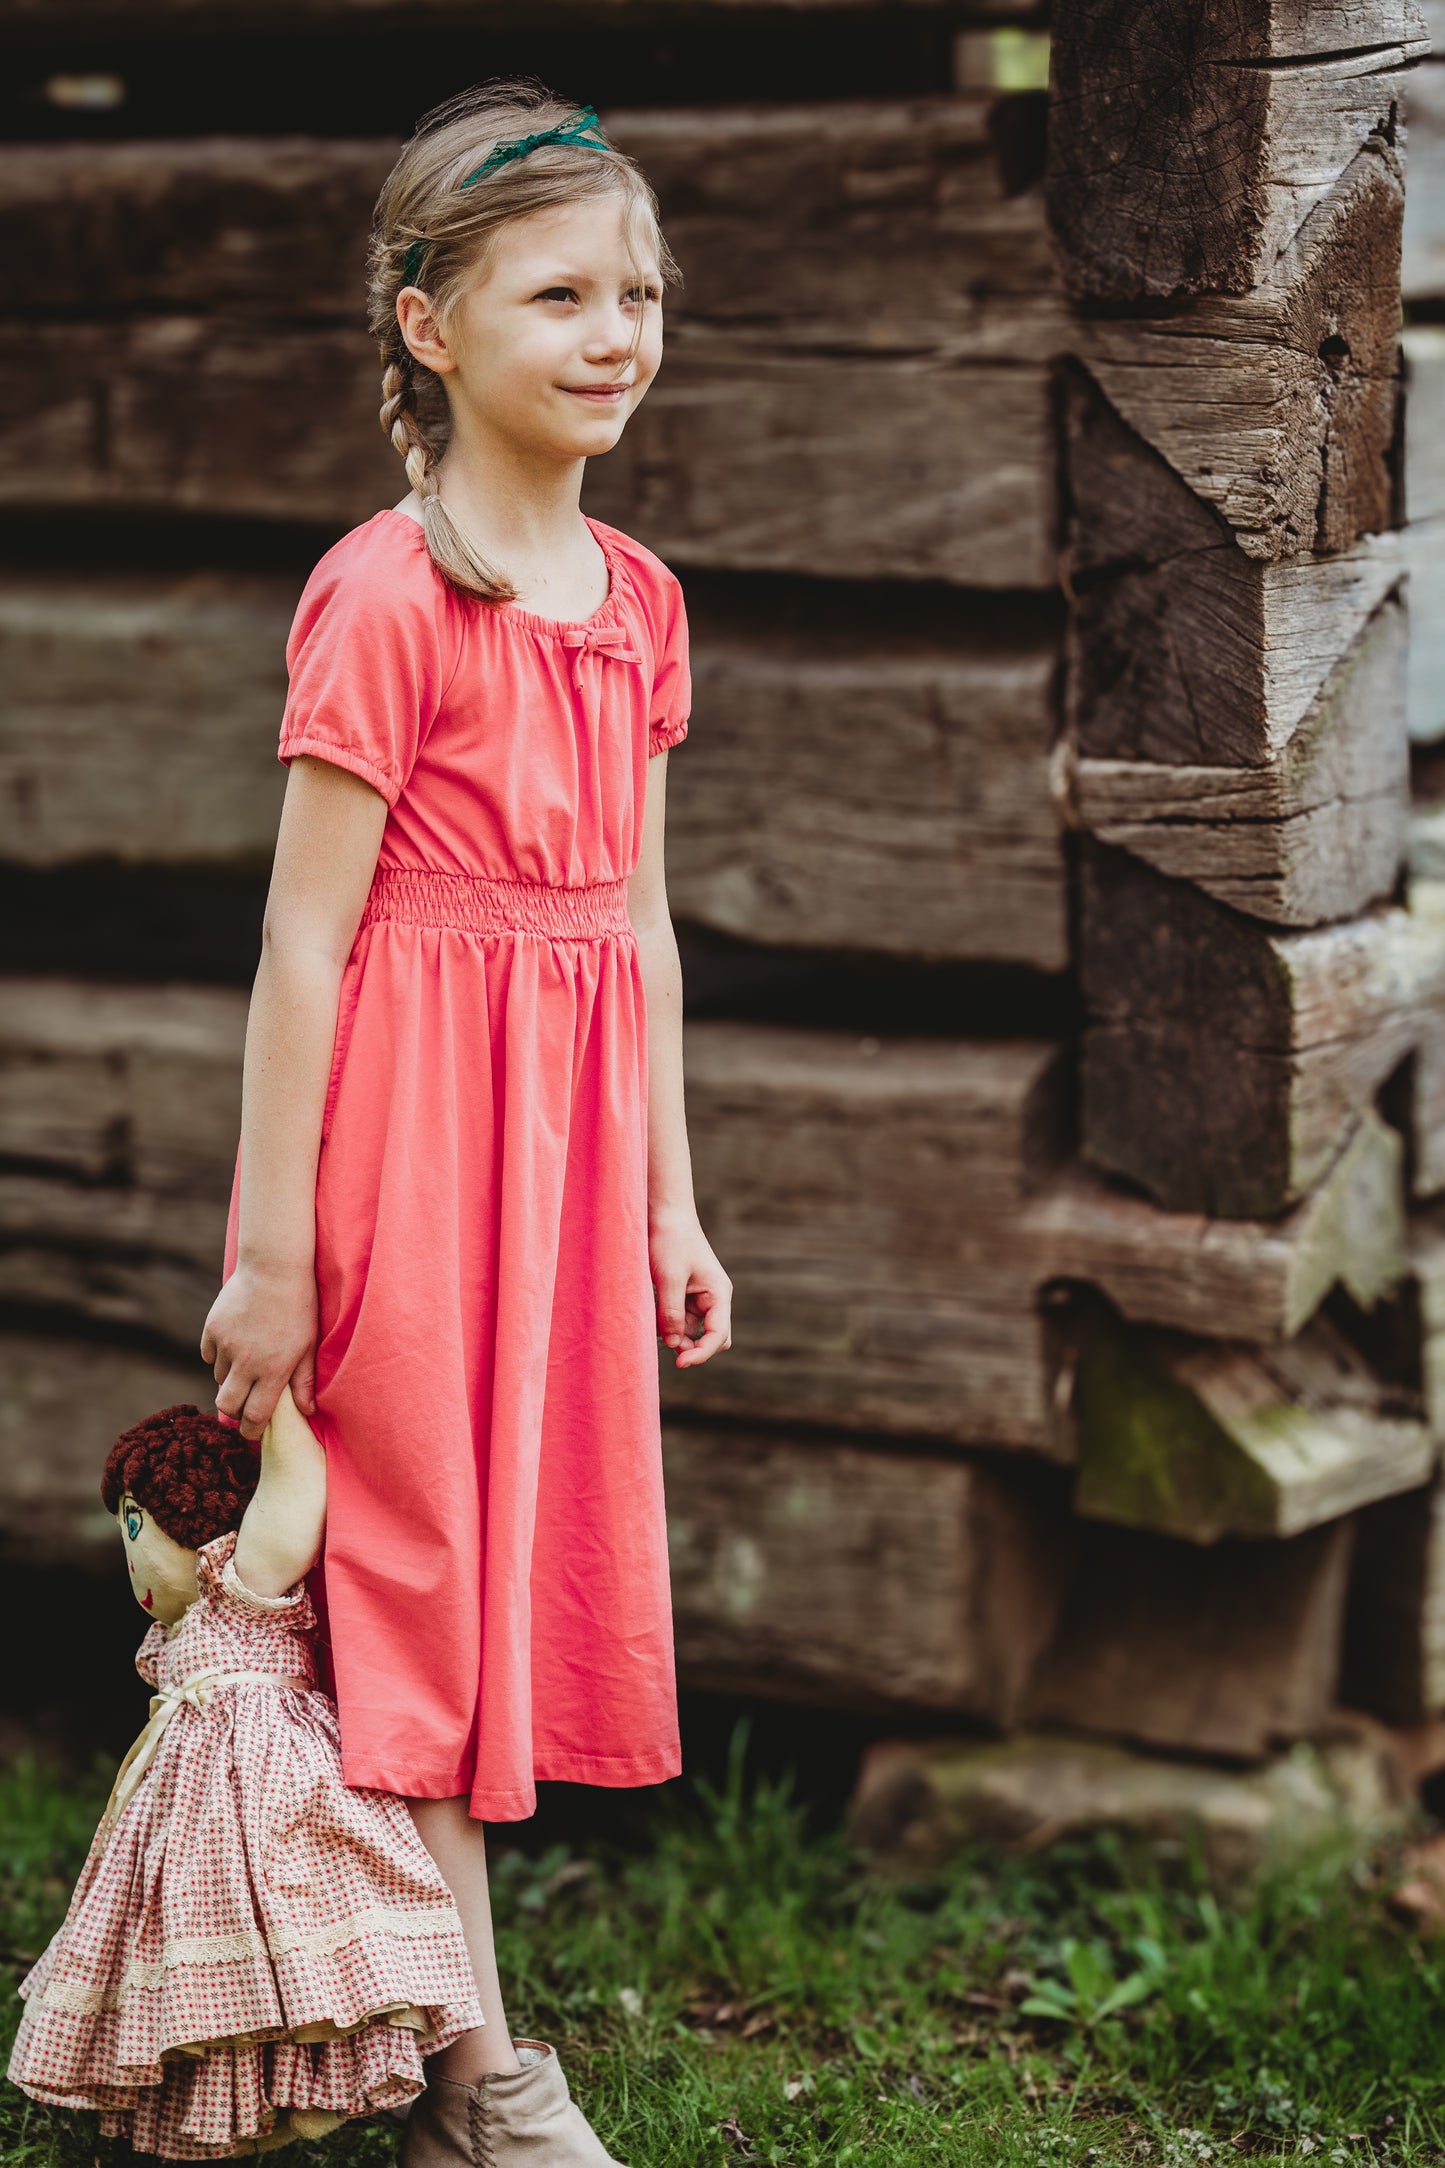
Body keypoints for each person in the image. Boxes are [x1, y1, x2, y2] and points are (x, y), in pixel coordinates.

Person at [196, 78, 732, 2168]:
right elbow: (302, 947)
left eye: (640, 293)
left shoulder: (640, 601)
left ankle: (394, 2031)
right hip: (407, 1150)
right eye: (558, 295)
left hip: (566, 1155)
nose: (615, 333)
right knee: (408, 1574)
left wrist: (667, 1201)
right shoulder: (386, 597)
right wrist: (273, 1249)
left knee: (492, 1572)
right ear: (428, 326)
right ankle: (477, 2080)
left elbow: (641, 921)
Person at [8, 1389, 485, 2160]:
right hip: (188, 1824)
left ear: (195, 1520)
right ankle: (203, 2100)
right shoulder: (180, 1631)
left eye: (140, 1529)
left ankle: (292, 2086)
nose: (134, 1560)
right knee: (179, 1941)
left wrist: (280, 1402)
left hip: (266, 1800)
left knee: (277, 1932)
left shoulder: (240, 1586)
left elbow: (295, 1498)